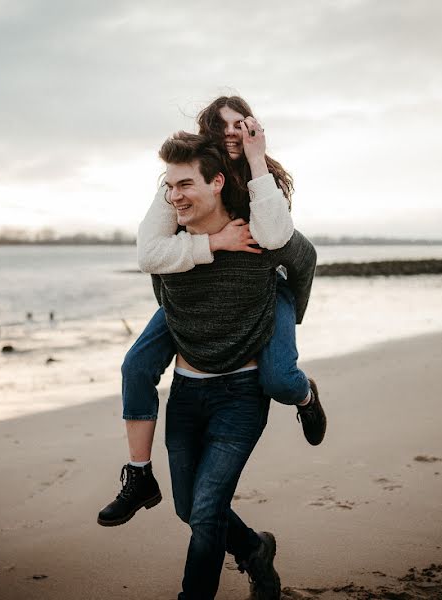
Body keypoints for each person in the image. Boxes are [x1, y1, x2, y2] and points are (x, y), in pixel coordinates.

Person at [98, 96, 326, 528]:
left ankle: (307, 396)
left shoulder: (264, 175)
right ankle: (139, 476)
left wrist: (258, 162)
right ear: (209, 135)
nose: (234, 134)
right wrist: (214, 244)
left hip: (259, 288)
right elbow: (150, 253)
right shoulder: (184, 182)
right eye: (223, 128)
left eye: (241, 123)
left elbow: (279, 239)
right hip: (194, 294)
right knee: (136, 365)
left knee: (278, 378)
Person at [158, 131, 316, 599]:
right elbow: (170, 311)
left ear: (216, 183)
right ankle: (253, 550)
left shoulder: (261, 239)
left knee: (206, 510)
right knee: (188, 507)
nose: (174, 197)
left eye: (184, 185)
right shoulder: (169, 250)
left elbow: (303, 260)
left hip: (241, 397)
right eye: (169, 187)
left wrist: (291, 312)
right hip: (185, 395)